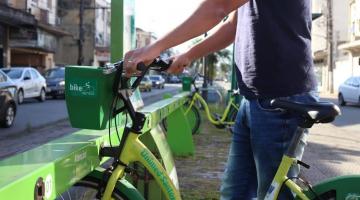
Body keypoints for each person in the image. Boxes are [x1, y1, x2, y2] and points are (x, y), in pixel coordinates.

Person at [124, 0, 318, 199]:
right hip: (253, 98)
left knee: (274, 195)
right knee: (235, 193)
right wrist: (189, 55)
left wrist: (156, 47)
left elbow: (218, 7)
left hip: (281, 96)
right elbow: (233, 26)